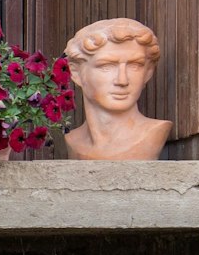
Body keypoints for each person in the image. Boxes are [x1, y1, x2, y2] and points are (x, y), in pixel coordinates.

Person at [61, 18, 170, 160]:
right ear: (76, 73)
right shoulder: (73, 141)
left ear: (147, 73)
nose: (122, 80)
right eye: (106, 66)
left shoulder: (153, 133)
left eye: (135, 66)